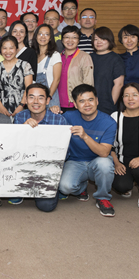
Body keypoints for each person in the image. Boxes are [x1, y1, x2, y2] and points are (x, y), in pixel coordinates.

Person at [58, 84, 117, 217]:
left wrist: (85, 136)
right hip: (75, 161)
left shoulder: (109, 122)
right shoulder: (68, 117)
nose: (87, 104)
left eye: (90, 100)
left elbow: (104, 152)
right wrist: (52, 110)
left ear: (97, 101)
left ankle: (103, 197)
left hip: (98, 160)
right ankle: (81, 187)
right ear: (75, 104)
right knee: (65, 187)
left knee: (105, 164)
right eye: (82, 101)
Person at [13, 83, 69, 209]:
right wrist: (23, 129)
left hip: (49, 167)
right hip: (25, 164)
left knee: (46, 206)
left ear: (48, 100)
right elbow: (14, 147)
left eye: (41, 98)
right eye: (31, 97)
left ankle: (58, 187)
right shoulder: (20, 117)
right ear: (26, 100)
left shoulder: (59, 120)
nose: (36, 102)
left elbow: (66, 152)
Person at [0, 36, 33, 117]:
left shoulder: (25, 65)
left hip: (23, 107)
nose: (8, 51)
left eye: (11, 48)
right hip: (1, 108)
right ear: (1, 49)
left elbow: (29, 88)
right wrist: (0, 106)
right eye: (4, 48)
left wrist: (21, 106)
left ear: (16, 49)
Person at [58, 26, 94, 112]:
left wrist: (85, 101)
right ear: (62, 40)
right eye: (67, 37)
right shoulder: (57, 57)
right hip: (57, 104)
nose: (70, 40)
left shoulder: (84, 57)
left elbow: (88, 82)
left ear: (78, 40)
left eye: (74, 37)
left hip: (76, 104)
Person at [91, 27, 125, 115]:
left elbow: (119, 84)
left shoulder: (115, 59)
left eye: (103, 39)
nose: (99, 42)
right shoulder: (89, 58)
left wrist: (111, 104)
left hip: (107, 105)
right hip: (89, 104)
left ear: (110, 40)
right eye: (96, 39)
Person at [33, 24, 61, 108]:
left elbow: (56, 80)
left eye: (46, 34)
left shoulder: (55, 55)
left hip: (50, 99)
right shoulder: (33, 55)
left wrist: (48, 98)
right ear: (36, 36)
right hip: (35, 99)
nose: (43, 37)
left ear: (50, 38)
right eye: (40, 34)